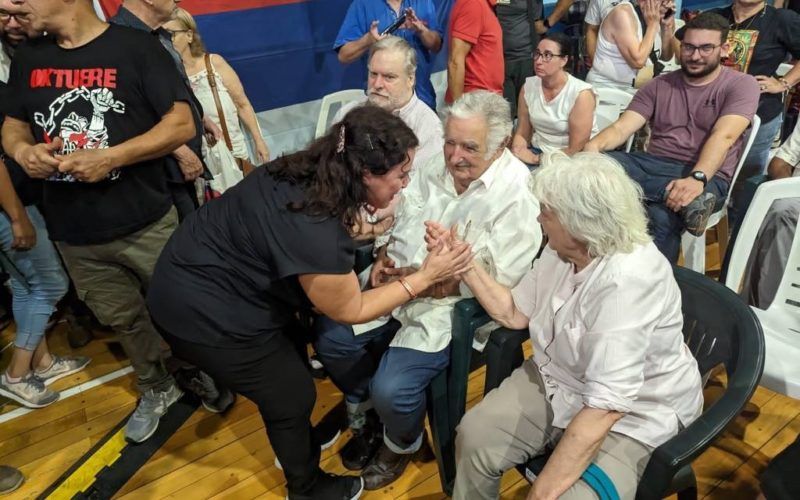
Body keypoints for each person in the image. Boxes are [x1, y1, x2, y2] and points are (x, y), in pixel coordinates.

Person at [146, 106, 472, 500]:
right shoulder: (315, 231)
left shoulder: (301, 170)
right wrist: (425, 277)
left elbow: (306, 241)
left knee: (294, 359)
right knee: (292, 393)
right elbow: (349, 310)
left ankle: (294, 439)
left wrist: (367, 233)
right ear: (365, 175)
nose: (405, 184)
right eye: (400, 175)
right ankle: (306, 487)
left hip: (194, 270)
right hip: (203, 311)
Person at [312, 91, 541, 490]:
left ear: (501, 143)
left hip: (448, 309)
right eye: (450, 142)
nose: (454, 157)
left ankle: (401, 440)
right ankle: (372, 412)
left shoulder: (517, 195)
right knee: (332, 338)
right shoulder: (436, 164)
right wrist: (383, 254)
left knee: (394, 389)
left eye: (470, 147)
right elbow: (401, 213)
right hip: (399, 282)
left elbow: (504, 283)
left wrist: (428, 282)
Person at [446, 152, 703, 500]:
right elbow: (514, 313)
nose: (539, 218)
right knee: (475, 437)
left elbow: (606, 405)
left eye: (546, 212)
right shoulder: (560, 250)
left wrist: (542, 493)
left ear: (578, 224)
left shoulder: (627, 281)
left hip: (635, 412)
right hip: (561, 380)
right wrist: (466, 264)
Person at [2, 0, 196, 442]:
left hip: (147, 222)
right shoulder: (30, 57)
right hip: (75, 233)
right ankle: (155, 386)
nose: (13, 6)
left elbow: (182, 123)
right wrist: (22, 151)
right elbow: (13, 124)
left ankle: (205, 370)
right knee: (124, 320)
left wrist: (112, 155)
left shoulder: (134, 48)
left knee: (183, 308)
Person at [584, 12, 760, 262]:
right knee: (596, 165)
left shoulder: (741, 84)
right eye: (689, 47)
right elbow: (623, 127)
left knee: (660, 216)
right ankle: (678, 202)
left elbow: (725, 135)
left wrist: (697, 179)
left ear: (724, 48)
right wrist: (592, 148)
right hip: (652, 164)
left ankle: (653, 291)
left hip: (707, 174)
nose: (695, 55)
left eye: (706, 48)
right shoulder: (660, 84)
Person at [0, 74, 89, 409]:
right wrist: (17, 217)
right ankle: (16, 375)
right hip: (11, 209)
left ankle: (42, 363)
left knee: (25, 286)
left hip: (15, 205)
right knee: (51, 284)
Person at [111, 0, 217, 219]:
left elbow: (172, 89)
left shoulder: (160, 36)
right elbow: (130, 112)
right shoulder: (117, 41)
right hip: (161, 173)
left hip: (181, 165)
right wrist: (179, 150)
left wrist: (201, 117)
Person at [333, 36, 444, 236]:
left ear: (411, 78)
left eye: (389, 77)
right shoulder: (347, 114)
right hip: (337, 215)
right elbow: (330, 170)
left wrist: (366, 221)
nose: (377, 84)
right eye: (373, 74)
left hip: (395, 231)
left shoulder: (429, 129)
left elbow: (412, 195)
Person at [704, 0, 800, 224]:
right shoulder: (716, 17)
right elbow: (684, 49)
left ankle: (737, 238)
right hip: (712, 112)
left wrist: (784, 83)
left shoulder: (781, 20)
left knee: (744, 186)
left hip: (759, 115)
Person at [164, 8, 270, 164]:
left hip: (233, 155)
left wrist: (258, 141)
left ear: (189, 35)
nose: (166, 40)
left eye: (171, 34)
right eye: (161, 35)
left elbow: (242, 104)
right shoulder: (167, 76)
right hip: (199, 162)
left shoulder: (214, 63)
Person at [334, 0, 442, 110]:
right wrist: (368, 39)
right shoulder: (362, 5)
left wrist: (421, 30)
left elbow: (436, 46)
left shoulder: (424, 2)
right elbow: (344, 55)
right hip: (381, 106)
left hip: (423, 101)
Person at [511, 34, 598, 166]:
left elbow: (576, 148)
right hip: (537, 150)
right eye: (537, 54)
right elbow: (523, 133)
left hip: (570, 158)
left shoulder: (581, 94)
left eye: (547, 55)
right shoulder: (528, 87)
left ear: (563, 60)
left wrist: (538, 160)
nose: (539, 61)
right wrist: (518, 150)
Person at [740, 120, 800, 309]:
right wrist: (786, 189)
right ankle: (761, 310)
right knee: (782, 211)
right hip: (795, 197)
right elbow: (780, 162)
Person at [586, 0, 676, 92]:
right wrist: (653, 25)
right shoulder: (622, 13)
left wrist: (667, 27)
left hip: (638, 90)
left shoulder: (655, 16)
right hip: (609, 90)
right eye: (664, 1)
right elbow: (637, 61)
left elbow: (666, 57)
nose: (668, 5)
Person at [446, 0, 504, 103]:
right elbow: (455, 61)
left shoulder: (484, 5)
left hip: (485, 100)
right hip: (475, 103)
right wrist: (458, 110)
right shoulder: (474, 4)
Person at [496, 0, 544, 116]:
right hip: (498, 61)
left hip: (525, 59)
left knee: (527, 113)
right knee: (505, 115)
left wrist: (547, 24)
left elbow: (538, 23)